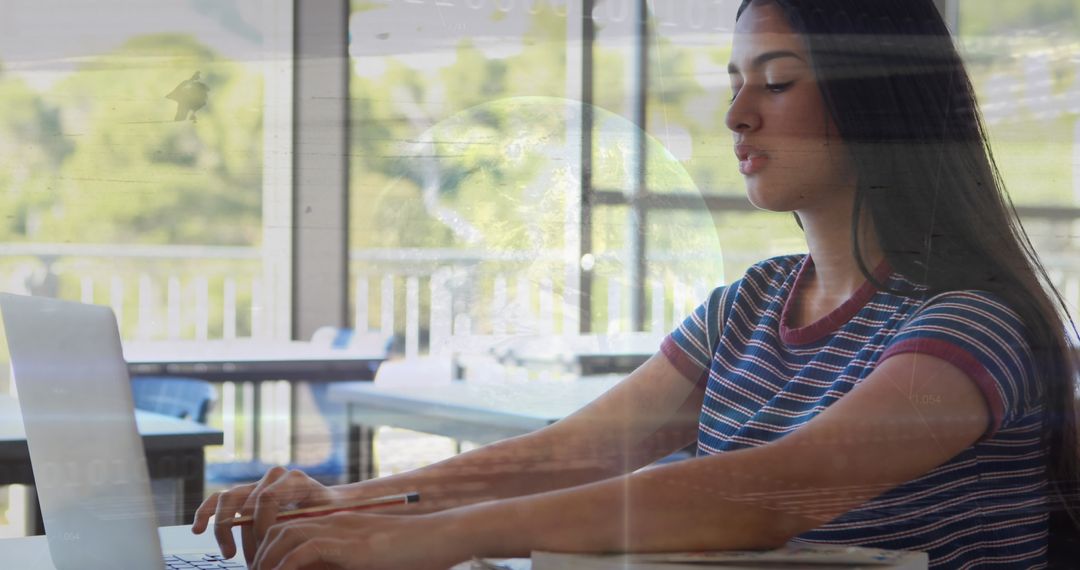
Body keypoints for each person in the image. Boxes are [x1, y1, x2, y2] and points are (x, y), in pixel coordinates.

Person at [192, 1, 1080, 568]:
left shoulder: (971, 324)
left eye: (777, 82)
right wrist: (345, 504)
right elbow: (569, 454)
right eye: (735, 83)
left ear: (880, 103)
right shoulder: (749, 307)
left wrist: (422, 538)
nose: (737, 114)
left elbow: (770, 496)